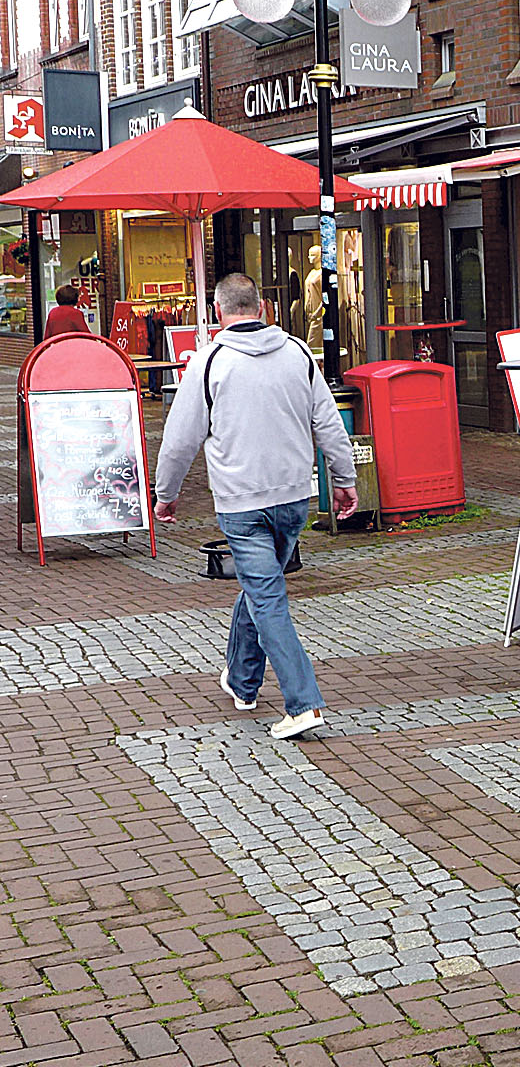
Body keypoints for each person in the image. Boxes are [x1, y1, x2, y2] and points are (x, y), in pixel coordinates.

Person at [153, 273, 357, 741]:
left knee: (266, 596)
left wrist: (166, 495)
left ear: (219, 312)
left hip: (241, 505)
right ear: (262, 307)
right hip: (292, 499)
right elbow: (327, 423)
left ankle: (303, 703)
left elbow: (180, 441)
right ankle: (243, 681)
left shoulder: (209, 363)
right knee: (260, 588)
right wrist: (343, 480)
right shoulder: (299, 355)